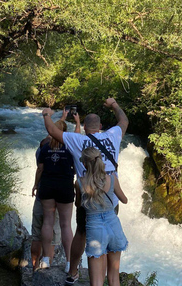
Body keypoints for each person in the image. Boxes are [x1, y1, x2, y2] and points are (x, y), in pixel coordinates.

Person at [41, 97, 128, 285]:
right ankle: (109, 277)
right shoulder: (112, 135)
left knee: (81, 232)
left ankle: (73, 272)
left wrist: (47, 114)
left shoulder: (77, 140)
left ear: (85, 128)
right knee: (111, 238)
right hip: (110, 196)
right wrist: (114, 105)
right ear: (101, 126)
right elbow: (124, 121)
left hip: (87, 198)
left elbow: (52, 130)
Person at [30, 109, 80, 271]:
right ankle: (69, 263)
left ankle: (45, 260)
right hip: (65, 187)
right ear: (64, 133)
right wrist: (78, 123)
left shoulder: (44, 148)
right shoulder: (71, 147)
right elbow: (78, 139)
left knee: (47, 222)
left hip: (47, 186)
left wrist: (36, 185)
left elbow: (40, 169)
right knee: (66, 225)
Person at [77, 147, 128, 286]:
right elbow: (124, 200)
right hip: (114, 226)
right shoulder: (112, 179)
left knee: (97, 282)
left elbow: (78, 204)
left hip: (95, 230)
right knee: (114, 278)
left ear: (85, 164)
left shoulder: (80, 183)